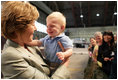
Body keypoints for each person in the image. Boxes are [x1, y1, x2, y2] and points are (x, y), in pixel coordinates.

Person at [1, 1, 70, 79]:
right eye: (33, 24)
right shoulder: (10, 56)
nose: (35, 28)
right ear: (19, 27)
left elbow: (43, 65)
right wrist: (65, 63)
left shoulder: (28, 45)